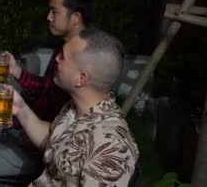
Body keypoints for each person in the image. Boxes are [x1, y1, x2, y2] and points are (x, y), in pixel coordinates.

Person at [0, 0, 92, 185]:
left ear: (76, 17)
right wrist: (17, 72)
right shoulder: (64, 50)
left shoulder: (83, 61)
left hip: (40, 151)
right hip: (24, 132)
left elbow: (61, 135)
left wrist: (20, 127)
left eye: (54, 11)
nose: (48, 17)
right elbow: (48, 89)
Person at [10, 28, 139, 186]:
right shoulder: (75, 107)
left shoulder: (110, 147)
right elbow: (52, 140)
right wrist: (21, 109)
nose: (56, 59)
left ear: (81, 78)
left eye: (63, 56)